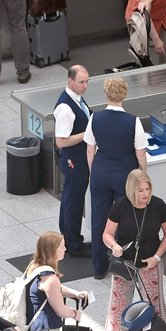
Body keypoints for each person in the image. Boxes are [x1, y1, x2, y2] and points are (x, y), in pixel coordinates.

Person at [84, 77, 148, 280]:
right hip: (125, 176)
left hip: (101, 173)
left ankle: (99, 268)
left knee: (99, 221)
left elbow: (89, 150)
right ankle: (124, 263)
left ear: (106, 95)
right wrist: (144, 176)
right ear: (125, 94)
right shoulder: (133, 121)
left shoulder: (95, 118)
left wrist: (94, 171)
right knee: (126, 220)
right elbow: (140, 154)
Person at [102, 169, 166, 331]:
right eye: (140, 190)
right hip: (124, 265)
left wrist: (157, 257)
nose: (145, 194)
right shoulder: (120, 206)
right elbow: (107, 234)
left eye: (147, 189)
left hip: (150, 264)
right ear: (132, 190)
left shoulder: (158, 205)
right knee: (117, 309)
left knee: (155, 309)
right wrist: (114, 246)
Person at [24, 232, 89, 331]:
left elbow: (51, 289)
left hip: (31, 326)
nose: (65, 249)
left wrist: (74, 293)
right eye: (62, 246)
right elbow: (61, 310)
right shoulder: (51, 278)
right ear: (52, 250)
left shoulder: (34, 267)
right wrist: (75, 314)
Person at [54, 65, 92, 257]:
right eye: (81, 82)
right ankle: (74, 243)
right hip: (74, 160)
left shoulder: (76, 99)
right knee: (73, 201)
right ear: (70, 81)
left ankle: (67, 238)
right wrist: (87, 133)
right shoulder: (65, 107)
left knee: (70, 199)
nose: (85, 86)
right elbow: (61, 141)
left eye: (87, 82)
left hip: (79, 158)